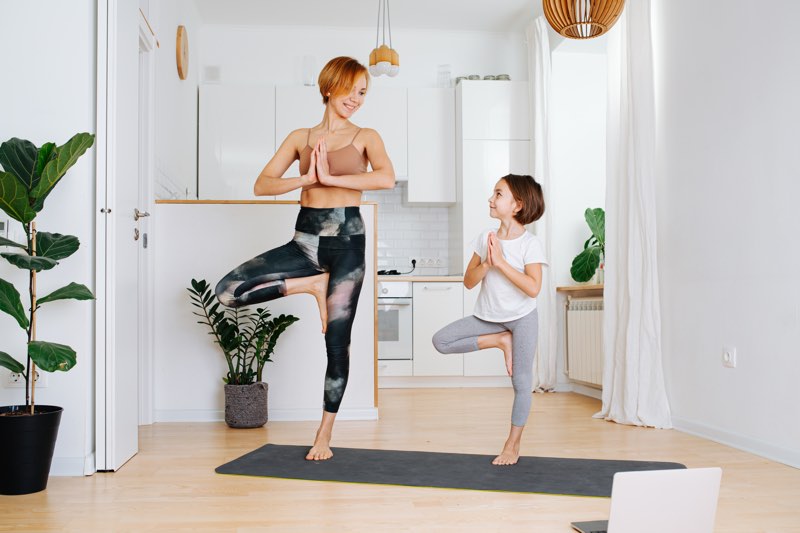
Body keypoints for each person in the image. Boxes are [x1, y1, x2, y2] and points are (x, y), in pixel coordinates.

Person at [215, 56, 395, 461]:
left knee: (337, 345)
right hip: (304, 242)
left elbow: (385, 178)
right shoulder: (301, 137)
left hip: (348, 244)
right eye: (351, 90)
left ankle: (323, 434)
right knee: (227, 292)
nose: (356, 99)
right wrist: (306, 179)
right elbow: (262, 185)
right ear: (330, 87)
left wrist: (333, 179)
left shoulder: (366, 136)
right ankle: (310, 284)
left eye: (363, 92)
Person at [432, 174, 546, 466]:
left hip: (522, 319)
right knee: (441, 341)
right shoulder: (486, 238)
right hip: (489, 318)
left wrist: (502, 263)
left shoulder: (530, 244)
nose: (491, 199)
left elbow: (533, 287)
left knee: (521, 383)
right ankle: (499, 340)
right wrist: (486, 263)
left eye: (498, 194)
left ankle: (512, 444)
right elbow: (469, 282)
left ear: (517, 205)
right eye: (493, 193)